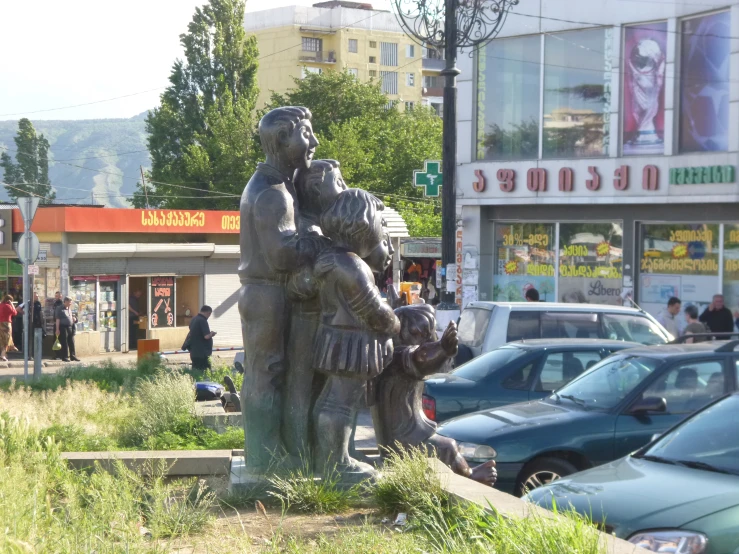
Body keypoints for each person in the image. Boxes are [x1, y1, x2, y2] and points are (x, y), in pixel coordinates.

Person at [238, 106, 319, 473]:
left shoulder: (277, 186)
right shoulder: (273, 194)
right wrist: (315, 238)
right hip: (268, 293)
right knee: (266, 372)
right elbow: (283, 255)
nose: (313, 142)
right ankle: (264, 457)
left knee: (268, 371)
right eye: (306, 134)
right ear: (282, 141)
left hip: (269, 293)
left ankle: (270, 452)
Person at [310, 188, 399, 480]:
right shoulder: (352, 265)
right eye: (381, 223)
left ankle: (335, 455)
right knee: (341, 400)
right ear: (363, 222)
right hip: (349, 341)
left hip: (337, 337)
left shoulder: (333, 259)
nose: (382, 231)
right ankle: (337, 463)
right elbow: (374, 310)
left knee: (333, 398)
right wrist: (395, 324)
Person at [371, 304, 497, 486]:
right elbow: (420, 358)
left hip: (401, 434)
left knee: (446, 444)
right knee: (447, 447)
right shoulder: (398, 357)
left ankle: (467, 474)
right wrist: (442, 348)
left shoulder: (390, 356)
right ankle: (469, 477)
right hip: (403, 439)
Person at [189, 305, 216, 371]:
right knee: (204, 373)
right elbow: (206, 336)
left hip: (194, 352)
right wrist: (211, 334)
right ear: (208, 313)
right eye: (209, 314)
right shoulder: (202, 320)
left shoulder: (194, 319)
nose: (209, 316)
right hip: (203, 354)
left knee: (196, 372)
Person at [55, 296, 79, 362]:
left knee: (71, 341)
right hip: (62, 327)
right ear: (65, 302)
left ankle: (72, 356)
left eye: (71, 302)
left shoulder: (69, 308)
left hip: (70, 327)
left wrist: (74, 319)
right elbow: (57, 319)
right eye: (69, 302)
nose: (70, 304)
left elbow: (72, 317)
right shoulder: (59, 308)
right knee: (64, 342)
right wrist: (57, 329)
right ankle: (64, 356)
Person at [0, 295, 17, 361]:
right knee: (7, 340)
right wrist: (12, 305)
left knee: (2, 340)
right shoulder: (8, 306)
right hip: (6, 324)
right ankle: (2, 355)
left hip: (0, 324)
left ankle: (4, 353)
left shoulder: (1, 305)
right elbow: (15, 313)